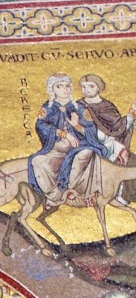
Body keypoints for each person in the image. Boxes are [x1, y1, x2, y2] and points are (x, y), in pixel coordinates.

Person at [28, 73, 107, 207]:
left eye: (67, 86)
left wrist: (76, 125)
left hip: (79, 146)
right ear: (52, 90)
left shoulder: (80, 108)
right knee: (37, 161)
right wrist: (63, 134)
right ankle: (56, 196)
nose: (64, 89)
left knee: (85, 154)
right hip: (56, 148)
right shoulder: (48, 108)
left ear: (71, 88)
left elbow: (91, 129)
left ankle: (72, 191)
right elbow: (41, 125)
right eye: (59, 86)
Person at [76, 74, 136, 202]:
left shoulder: (107, 105)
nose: (87, 90)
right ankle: (118, 194)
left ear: (99, 87)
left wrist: (131, 115)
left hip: (110, 142)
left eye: (91, 86)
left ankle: (128, 193)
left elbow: (118, 126)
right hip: (91, 142)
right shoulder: (79, 106)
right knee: (127, 161)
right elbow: (82, 128)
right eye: (83, 87)